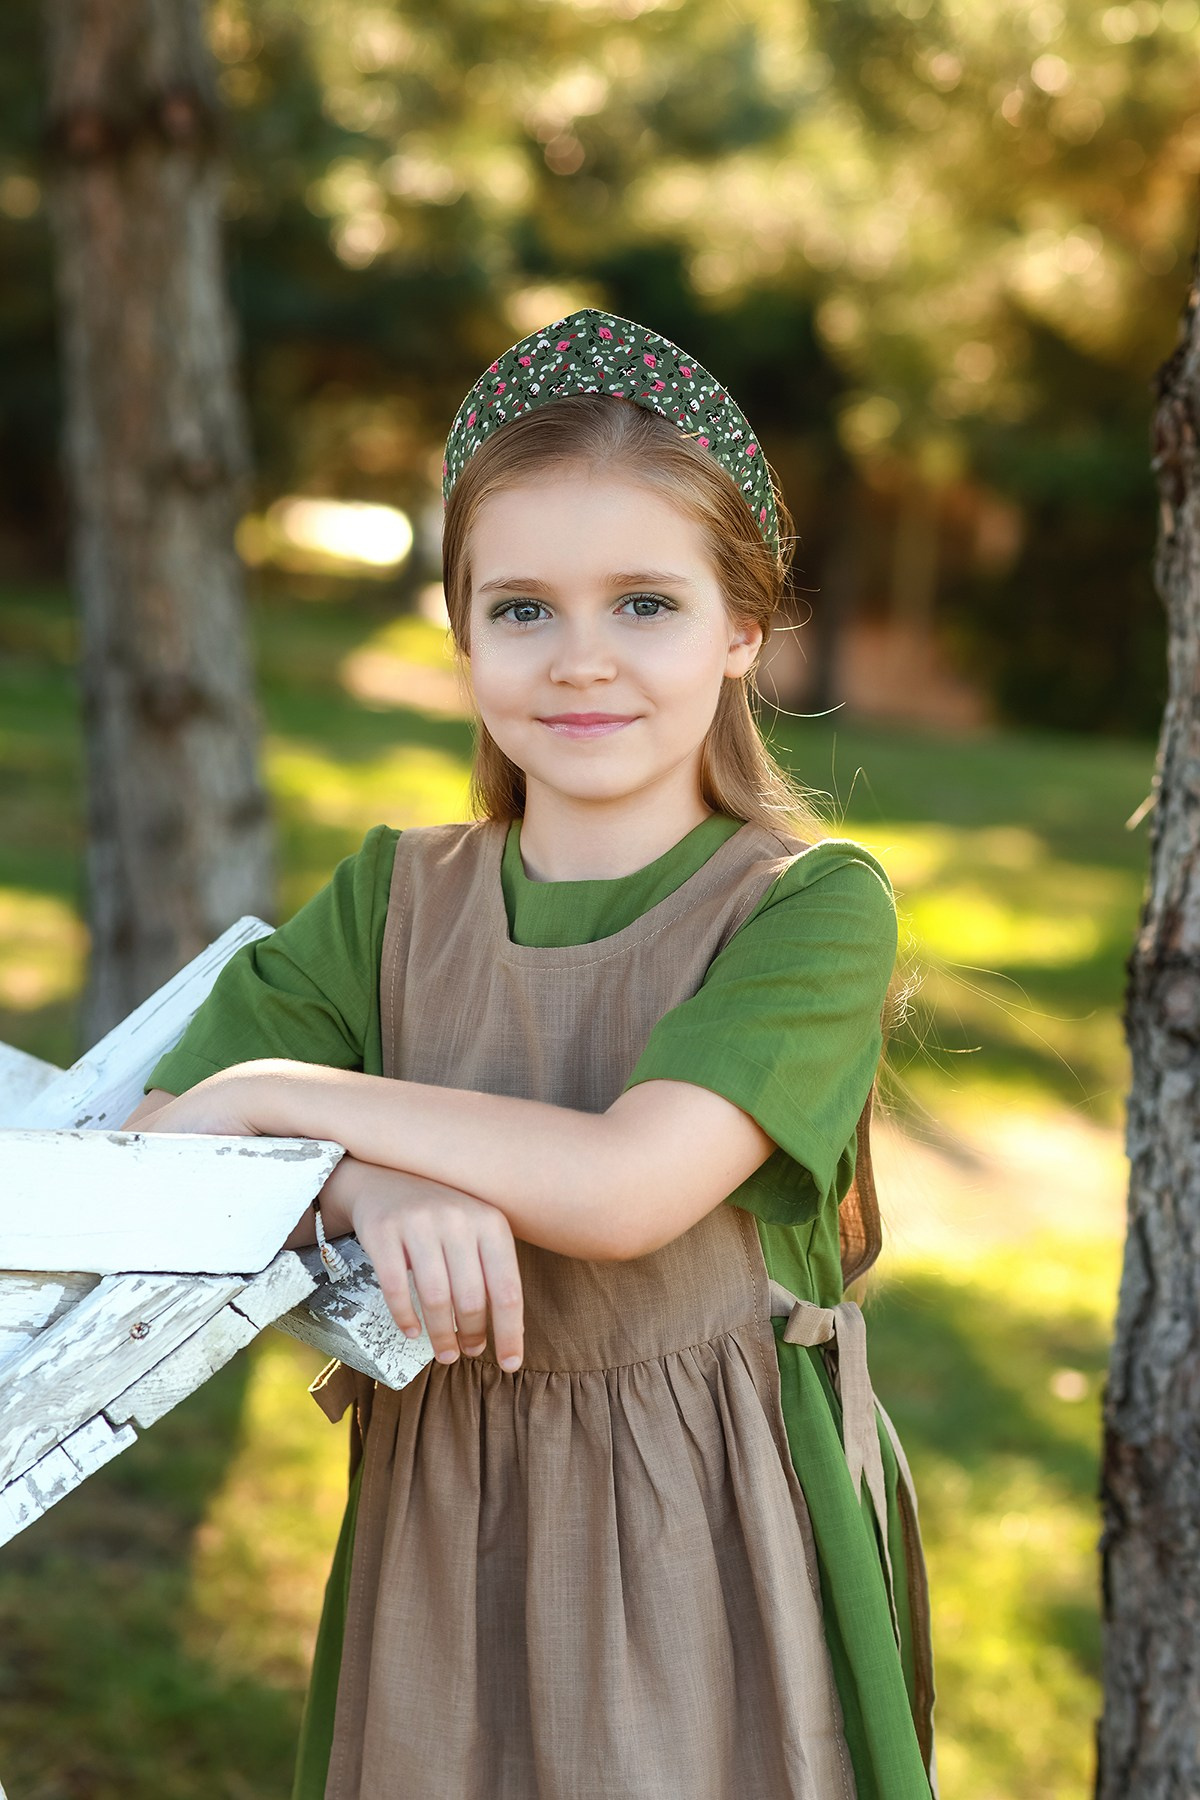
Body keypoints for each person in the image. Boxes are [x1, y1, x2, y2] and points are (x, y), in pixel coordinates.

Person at [123, 310, 936, 1800]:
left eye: (644, 605)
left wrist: (281, 1105)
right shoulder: (394, 899)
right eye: (521, 610)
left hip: (708, 1534)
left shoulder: (807, 909)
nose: (580, 663)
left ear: (743, 627)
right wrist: (366, 1188)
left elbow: (628, 1188)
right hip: (446, 1527)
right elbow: (159, 1154)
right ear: (459, 626)